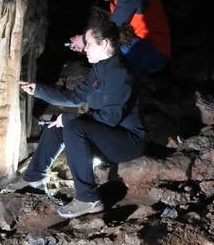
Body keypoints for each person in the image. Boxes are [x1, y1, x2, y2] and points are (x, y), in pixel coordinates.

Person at [18, 20, 147, 219]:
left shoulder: (120, 73)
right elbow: (74, 97)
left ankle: (88, 198)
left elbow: (109, 118)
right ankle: (34, 177)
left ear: (104, 44)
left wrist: (69, 118)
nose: (84, 48)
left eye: (88, 43)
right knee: (57, 125)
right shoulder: (101, 68)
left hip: (128, 140)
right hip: (108, 134)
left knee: (73, 127)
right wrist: (38, 89)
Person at [69, 0, 171, 73]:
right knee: (104, 39)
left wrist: (85, 40)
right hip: (141, 45)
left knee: (107, 41)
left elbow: (112, 27)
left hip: (155, 54)